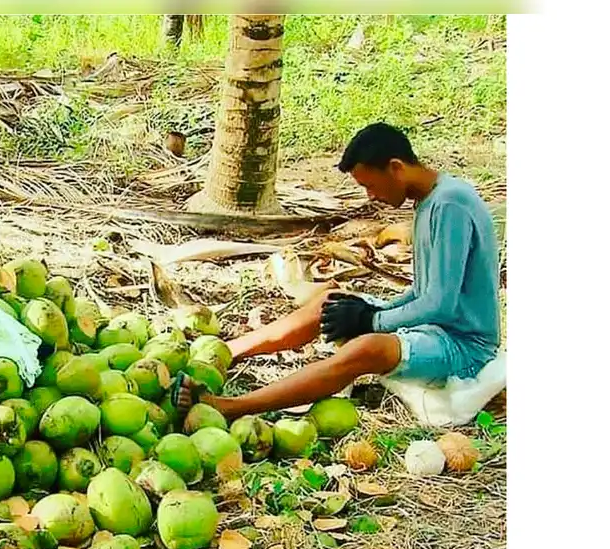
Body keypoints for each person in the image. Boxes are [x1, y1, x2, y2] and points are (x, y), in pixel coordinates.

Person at [172, 122, 502, 422]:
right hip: (436, 327)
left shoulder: (449, 205)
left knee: (367, 349)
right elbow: (423, 291)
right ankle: (223, 353)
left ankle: (229, 407)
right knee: (331, 301)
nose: (370, 196)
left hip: (465, 347)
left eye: (370, 185)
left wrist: (372, 321)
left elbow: (440, 305)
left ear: (396, 168)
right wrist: (370, 310)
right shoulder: (429, 201)